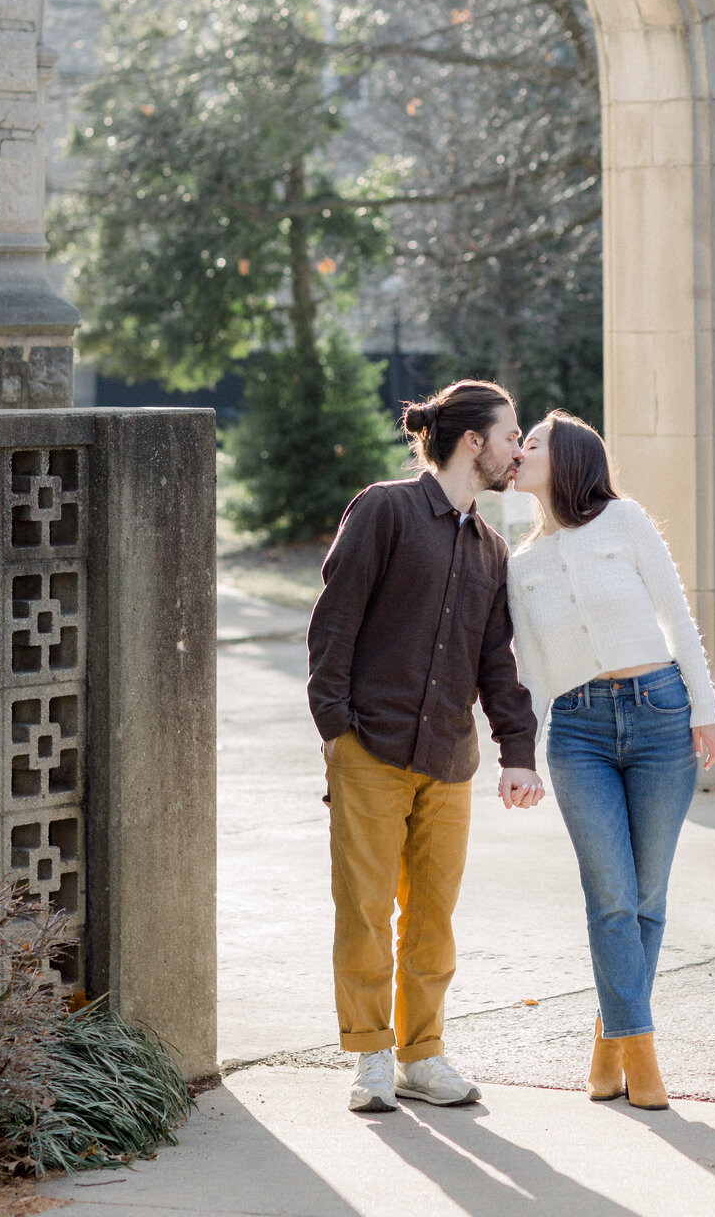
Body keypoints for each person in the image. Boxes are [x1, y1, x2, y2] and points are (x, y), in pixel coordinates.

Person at [307, 379, 545, 1116]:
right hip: (369, 750)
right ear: (472, 441)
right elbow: (334, 623)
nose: (517, 451)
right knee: (366, 912)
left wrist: (518, 749)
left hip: (447, 761)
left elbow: (494, 662)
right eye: (510, 436)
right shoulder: (385, 509)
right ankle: (372, 1056)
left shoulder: (491, 549)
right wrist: (337, 728)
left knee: (433, 920)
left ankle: (424, 1053)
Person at [508, 410, 715, 1111]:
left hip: (662, 714)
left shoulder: (625, 522)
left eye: (530, 443)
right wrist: (526, 754)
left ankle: (610, 1038)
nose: (518, 452)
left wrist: (705, 706)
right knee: (611, 895)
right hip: (578, 732)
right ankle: (644, 1053)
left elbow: (677, 615)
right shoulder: (522, 561)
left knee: (647, 897)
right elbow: (533, 667)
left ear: (566, 458)